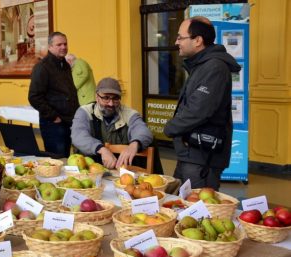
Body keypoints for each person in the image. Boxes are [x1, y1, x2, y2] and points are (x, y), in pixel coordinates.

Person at [163, 17, 240, 190]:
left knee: (199, 210)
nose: (176, 42)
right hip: (192, 154)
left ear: (198, 40)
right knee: (181, 205)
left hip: (202, 156)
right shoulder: (201, 65)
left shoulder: (215, 68)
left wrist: (170, 128)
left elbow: (198, 110)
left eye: (180, 37)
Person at [71, 77, 153, 169]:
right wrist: (101, 149)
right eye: (106, 98)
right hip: (90, 171)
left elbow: (144, 131)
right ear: (97, 97)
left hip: (121, 172)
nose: (111, 104)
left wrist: (135, 144)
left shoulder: (129, 113)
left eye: (116, 98)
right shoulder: (85, 111)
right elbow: (78, 136)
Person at [28, 31, 79, 158]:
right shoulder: (42, 67)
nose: (63, 47)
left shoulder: (65, 65)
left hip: (68, 121)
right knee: (57, 161)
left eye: (65, 44)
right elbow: (34, 97)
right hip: (54, 125)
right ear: (50, 47)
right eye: (59, 44)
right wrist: (53, 117)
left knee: (67, 159)